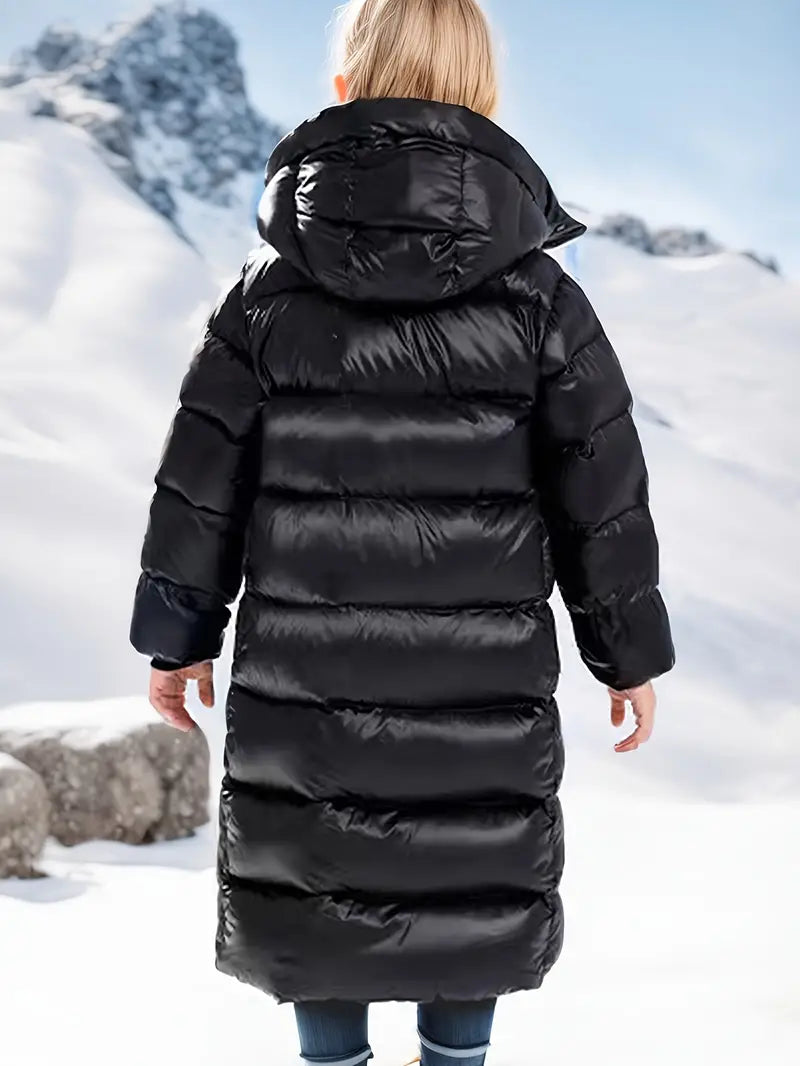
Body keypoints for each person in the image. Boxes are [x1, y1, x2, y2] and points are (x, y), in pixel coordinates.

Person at [129, 0, 676, 1063]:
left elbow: (200, 480)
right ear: (485, 97)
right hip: (479, 696)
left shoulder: (266, 294)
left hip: (307, 698)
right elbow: (600, 489)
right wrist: (627, 653)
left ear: (343, 89)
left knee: (317, 910)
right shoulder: (539, 297)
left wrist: (177, 637)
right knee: (464, 898)